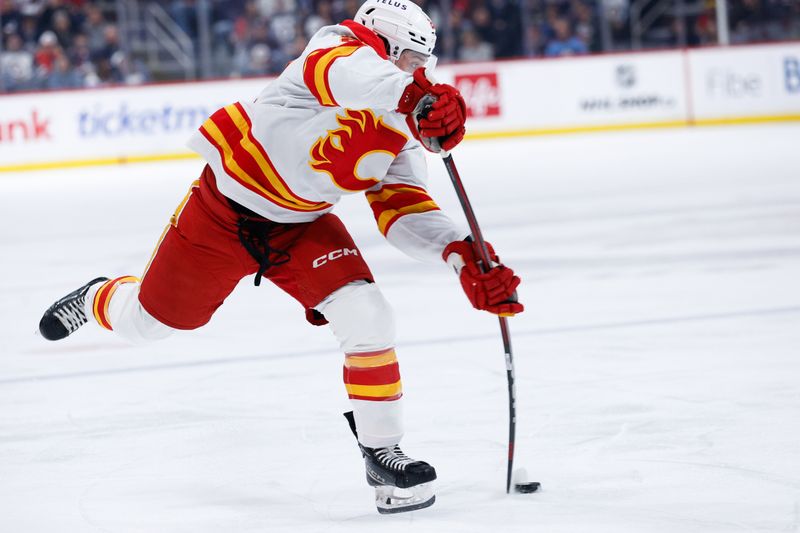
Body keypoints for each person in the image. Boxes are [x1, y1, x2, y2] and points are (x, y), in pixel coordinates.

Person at [38, 0, 523, 515]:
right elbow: (346, 74)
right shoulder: (334, 50)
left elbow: (402, 209)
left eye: (424, 66)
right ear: (385, 44)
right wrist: (413, 96)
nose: (421, 73)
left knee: (369, 314)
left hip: (302, 226)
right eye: (411, 61)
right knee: (147, 324)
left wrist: (462, 255)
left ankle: (383, 454)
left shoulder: (402, 116)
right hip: (222, 214)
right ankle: (97, 297)